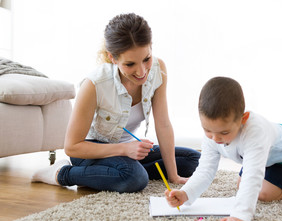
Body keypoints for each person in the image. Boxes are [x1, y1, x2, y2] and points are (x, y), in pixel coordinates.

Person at [32, 13, 200, 192]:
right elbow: (72, 147)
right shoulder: (94, 84)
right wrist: (124, 150)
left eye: (146, 59)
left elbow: (163, 124)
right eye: (130, 64)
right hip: (90, 151)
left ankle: (105, 175)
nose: (142, 71)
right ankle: (62, 172)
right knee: (135, 178)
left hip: (128, 150)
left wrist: (173, 176)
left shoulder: (159, 69)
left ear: (151, 47)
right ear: (112, 58)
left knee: (192, 159)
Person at [165, 77, 282, 221]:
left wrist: (241, 215)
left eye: (224, 132)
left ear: (243, 119)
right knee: (242, 186)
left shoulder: (255, 132)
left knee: (264, 195)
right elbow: (205, 170)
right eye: (207, 130)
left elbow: (252, 175)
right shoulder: (214, 134)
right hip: (255, 156)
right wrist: (185, 194)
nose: (215, 138)